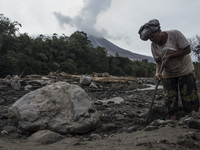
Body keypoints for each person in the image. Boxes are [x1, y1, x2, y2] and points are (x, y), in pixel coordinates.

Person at [138, 19, 199, 120]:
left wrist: (170, 56)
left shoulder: (175, 34)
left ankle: (193, 118)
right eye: (149, 39)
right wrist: (157, 72)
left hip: (184, 69)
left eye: (152, 36)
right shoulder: (154, 46)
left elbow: (187, 49)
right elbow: (158, 61)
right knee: (170, 97)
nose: (152, 40)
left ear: (159, 31)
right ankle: (172, 120)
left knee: (189, 95)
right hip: (168, 72)